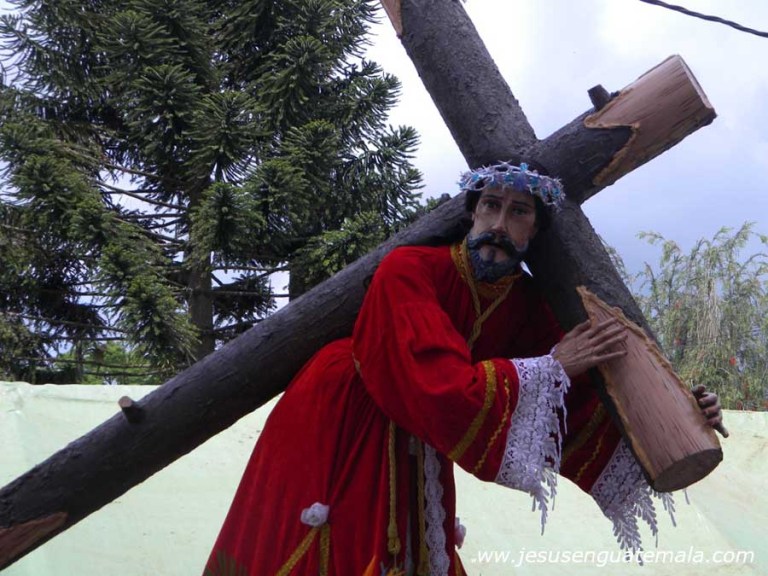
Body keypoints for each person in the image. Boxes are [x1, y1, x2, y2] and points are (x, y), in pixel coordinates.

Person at [203, 161, 723, 576]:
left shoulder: (525, 304)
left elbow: (578, 398)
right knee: (330, 542)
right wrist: (552, 368)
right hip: (347, 417)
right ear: (472, 214)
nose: (499, 224)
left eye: (518, 212)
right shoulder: (408, 270)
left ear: (534, 231)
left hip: (420, 440)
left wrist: (681, 414)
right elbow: (442, 387)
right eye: (490, 206)